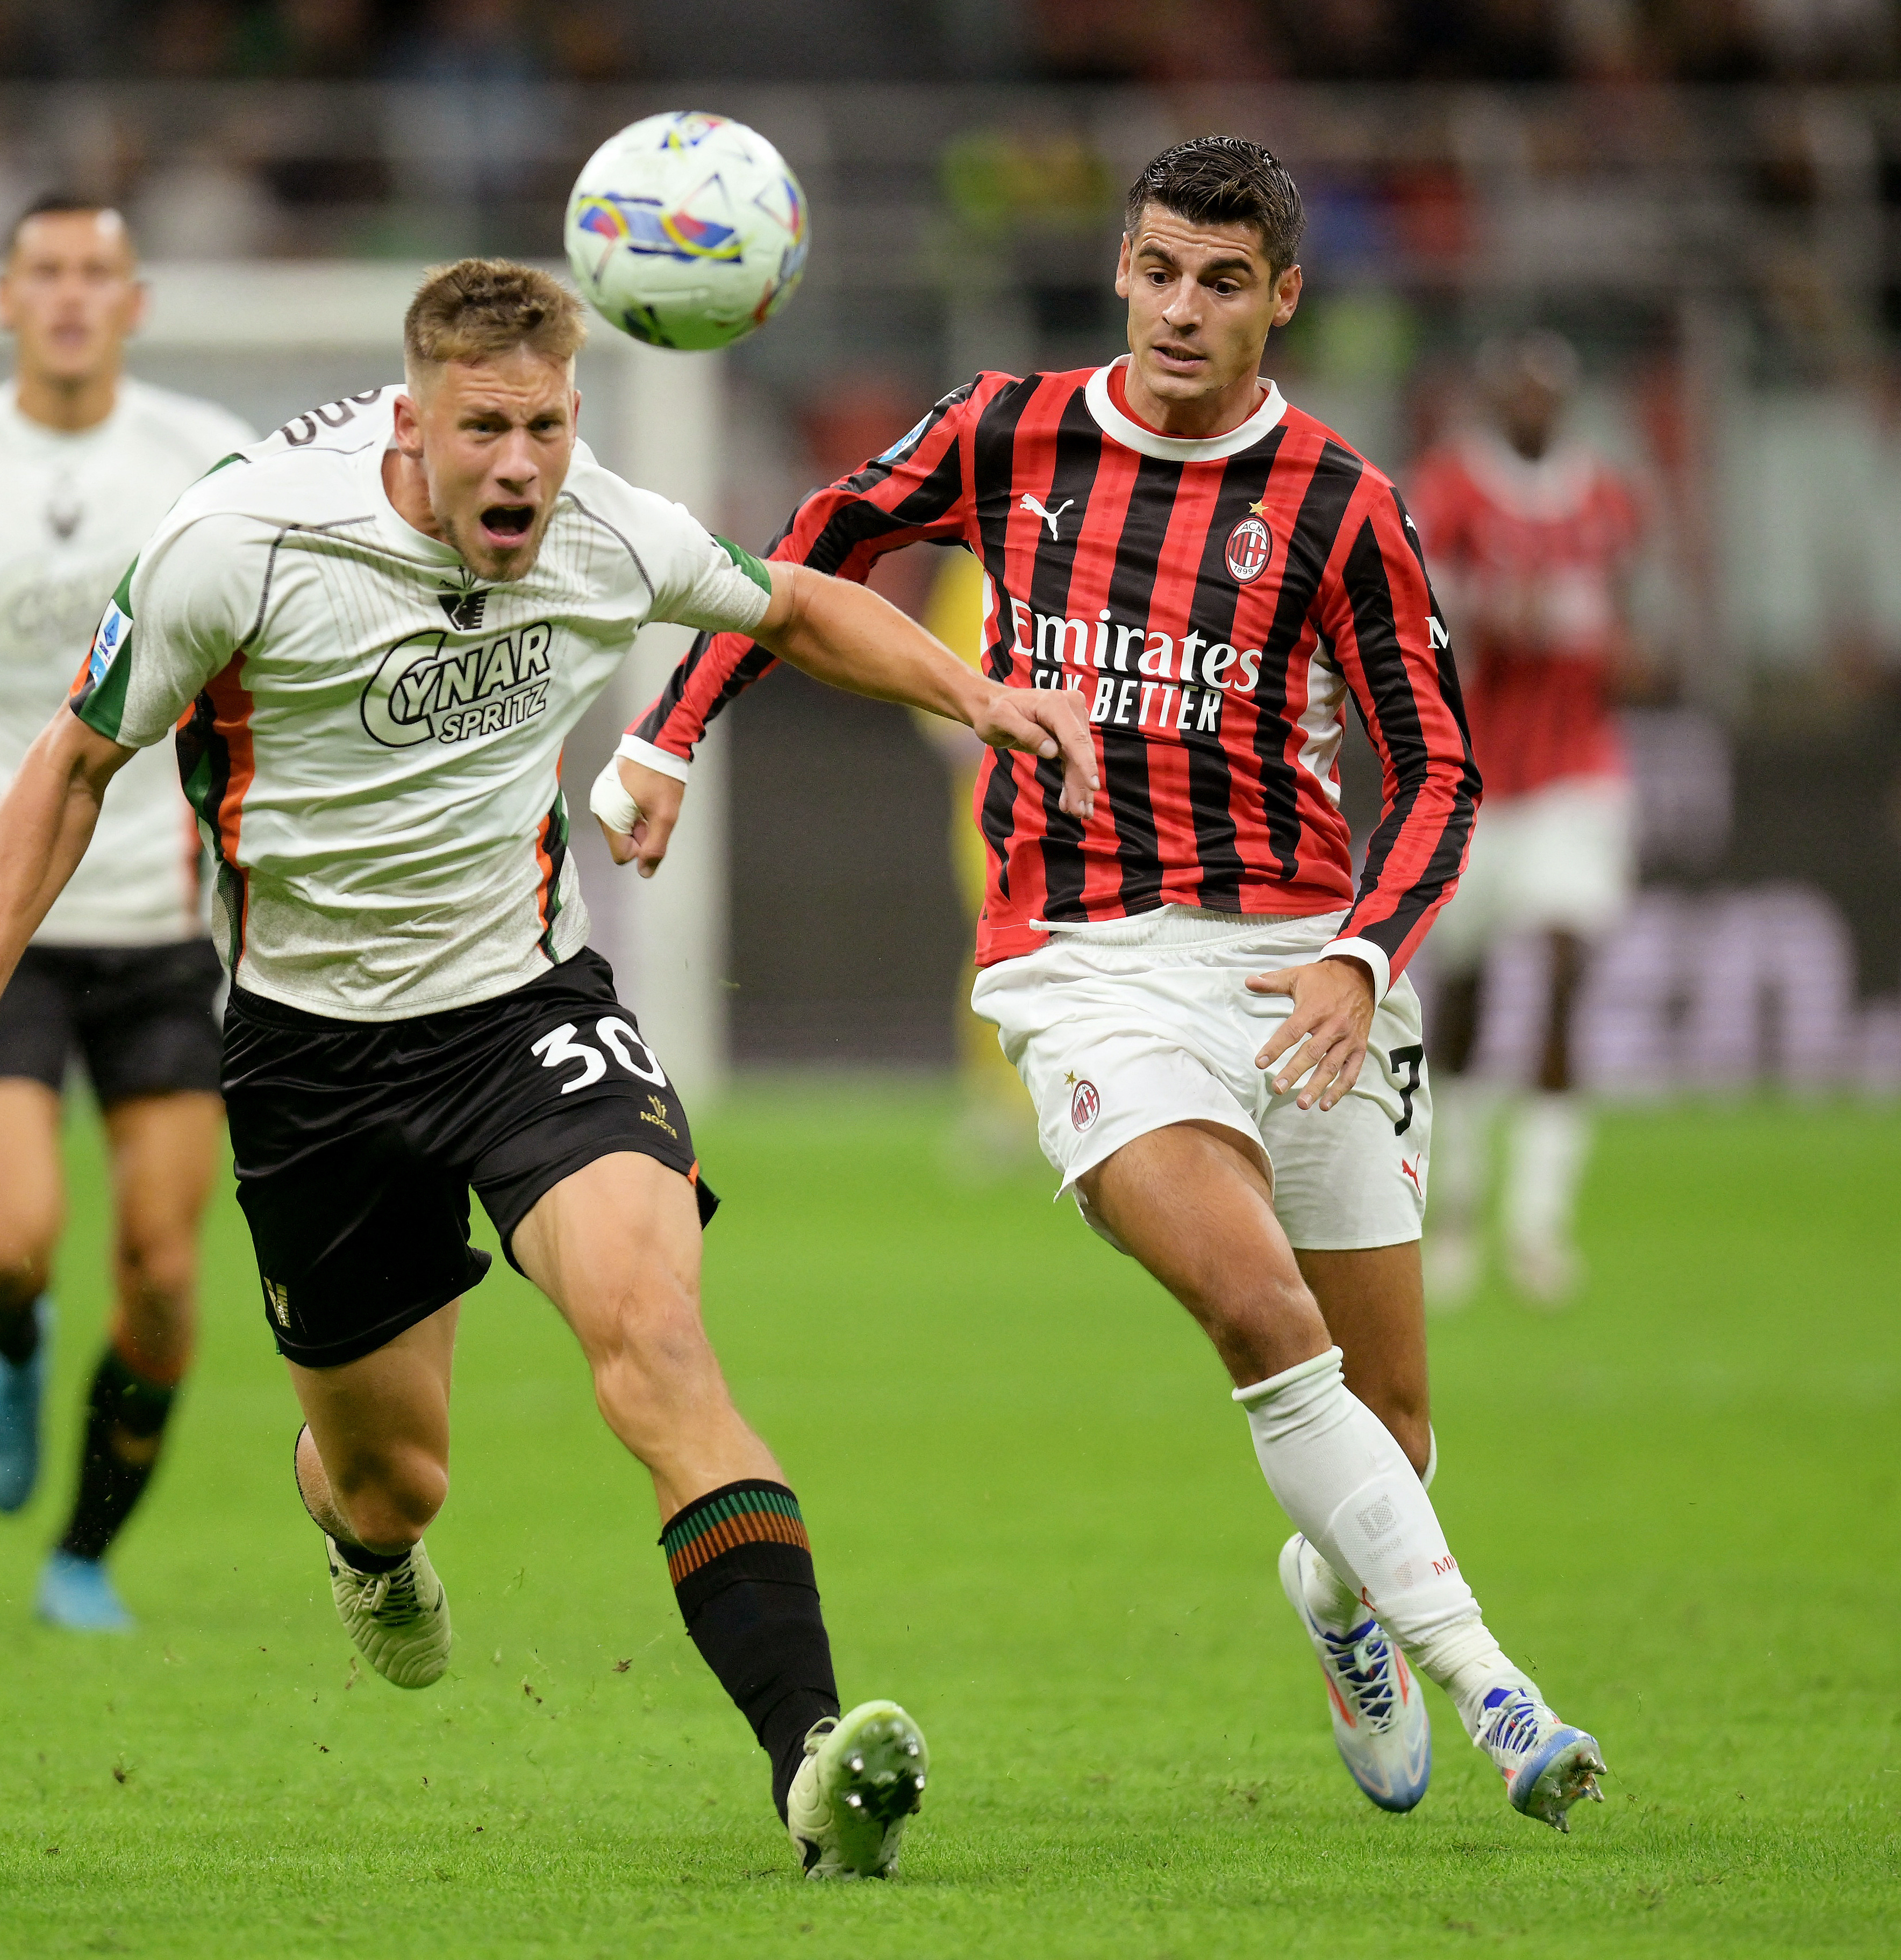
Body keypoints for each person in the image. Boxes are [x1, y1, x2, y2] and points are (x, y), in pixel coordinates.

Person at [0, 257, 1097, 1877]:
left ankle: (811, 1756)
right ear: (413, 418)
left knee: (655, 1332)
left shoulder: (604, 523)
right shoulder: (239, 546)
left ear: (572, 415)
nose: (515, 465)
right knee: (395, 1476)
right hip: (309, 1056)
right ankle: (361, 1540)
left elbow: (792, 601)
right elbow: (71, 761)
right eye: (480, 431)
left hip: (525, 1012)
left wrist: (970, 689)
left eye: (540, 426)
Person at [592, 139, 1610, 1831]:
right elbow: (807, 552)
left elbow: (1437, 771)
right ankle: (1497, 1687)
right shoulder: (1012, 427)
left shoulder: (1344, 503)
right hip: (1083, 969)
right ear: (1119, 271)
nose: (1179, 311)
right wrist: (667, 730)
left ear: (1283, 294)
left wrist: (1364, 955)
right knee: (1260, 1320)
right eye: (1154, 271)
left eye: (1222, 281)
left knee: (1395, 1430)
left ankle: (1340, 1597)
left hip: (1298, 967)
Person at [0, 194, 257, 1633]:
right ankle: (12, 1342)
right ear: (1, 296)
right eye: (48, 272)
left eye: (99, 273)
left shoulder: (206, 457)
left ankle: (82, 1550)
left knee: (159, 1268)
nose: (73, 294)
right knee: (12, 1240)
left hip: (165, 921)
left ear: (134, 301)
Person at [1407, 332, 1646, 1307]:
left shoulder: (1605, 499)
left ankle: (1540, 1226)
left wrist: (1604, 642)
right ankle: (1458, 1202)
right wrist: (1495, 619)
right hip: (1478, 780)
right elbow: (1420, 622)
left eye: (1551, 394)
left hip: (1577, 776)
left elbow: (1629, 634)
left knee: (1565, 967)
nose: (1535, 409)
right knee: (1462, 992)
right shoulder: (1453, 492)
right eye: (1522, 394)